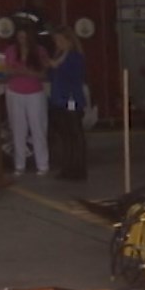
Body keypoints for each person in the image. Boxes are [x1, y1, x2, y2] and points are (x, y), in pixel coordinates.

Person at [2, 26, 51, 177]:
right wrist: (17, 71)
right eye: (19, 36)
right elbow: (6, 70)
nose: (22, 39)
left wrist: (29, 73)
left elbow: (43, 73)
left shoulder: (39, 51)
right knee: (18, 129)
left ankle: (42, 164)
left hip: (34, 93)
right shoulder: (11, 50)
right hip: (15, 92)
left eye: (24, 36)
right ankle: (19, 165)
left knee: (38, 128)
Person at [46, 28, 88, 181]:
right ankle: (67, 167)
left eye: (60, 40)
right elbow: (51, 75)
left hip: (71, 99)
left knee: (75, 134)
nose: (58, 43)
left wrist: (58, 66)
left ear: (69, 41)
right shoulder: (57, 56)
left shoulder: (75, 57)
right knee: (64, 136)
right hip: (58, 99)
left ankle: (78, 168)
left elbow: (75, 76)